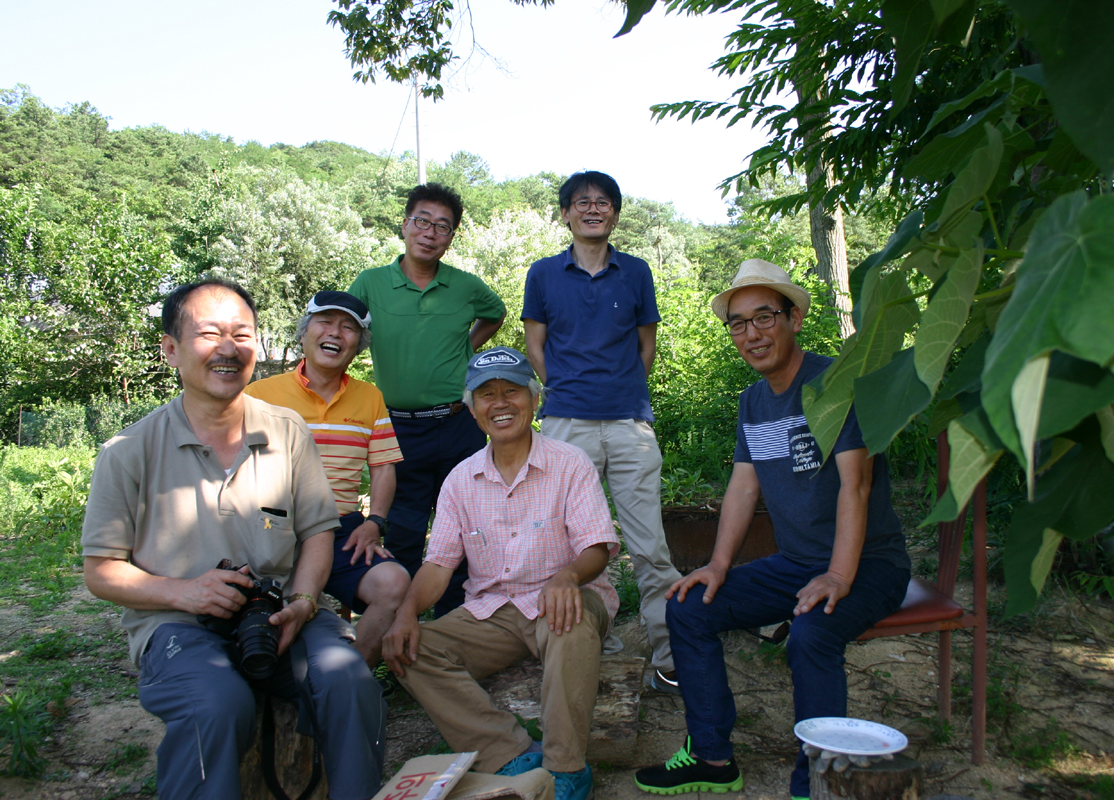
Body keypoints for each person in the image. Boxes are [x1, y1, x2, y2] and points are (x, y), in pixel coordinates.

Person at [81, 280, 385, 800]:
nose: (228, 349)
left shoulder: (287, 431)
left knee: (350, 682)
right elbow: (101, 571)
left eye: (242, 335)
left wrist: (303, 602)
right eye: (209, 334)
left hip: (277, 615)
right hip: (177, 623)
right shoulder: (129, 450)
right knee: (216, 705)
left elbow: (317, 532)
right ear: (171, 348)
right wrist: (184, 593)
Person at [633, 260, 911, 800]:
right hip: (798, 563)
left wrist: (837, 574)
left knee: (811, 632)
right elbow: (742, 488)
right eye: (738, 322)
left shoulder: (837, 383)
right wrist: (715, 565)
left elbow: (856, 487)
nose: (751, 333)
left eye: (765, 317)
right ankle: (711, 757)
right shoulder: (752, 402)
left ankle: (818, 779)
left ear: (795, 319)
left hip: (870, 564)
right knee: (688, 606)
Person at [383, 346, 619, 800]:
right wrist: (407, 611)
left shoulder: (569, 462)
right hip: (494, 611)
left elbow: (596, 547)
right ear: (473, 411)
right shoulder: (459, 479)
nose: (501, 403)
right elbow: (438, 566)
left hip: (566, 597)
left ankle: (566, 768)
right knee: (412, 648)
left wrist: (567, 577)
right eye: (487, 395)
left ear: (533, 400)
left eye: (512, 391)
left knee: (566, 621)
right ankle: (509, 752)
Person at [521, 170, 682, 693]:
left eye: (604, 202)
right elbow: (536, 347)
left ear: (615, 213)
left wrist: (622, 393)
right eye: (582, 201)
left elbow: (646, 348)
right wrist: (565, 392)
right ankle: (595, 643)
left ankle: (671, 655)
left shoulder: (635, 272)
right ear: (565, 213)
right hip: (566, 423)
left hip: (630, 422)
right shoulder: (543, 274)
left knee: (648, 544)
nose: (593, 209)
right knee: (573, 545)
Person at [349, 182, 506, 615]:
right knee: (402, 529)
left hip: (460, 424)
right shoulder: (371, 283)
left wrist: (466, 349)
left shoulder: (466, 286)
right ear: (404, 225)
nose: (431, 232)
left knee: (466, 527)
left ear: (451, 236)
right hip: (397, 428)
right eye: (423, 221)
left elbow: (496, 313)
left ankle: (455, 624)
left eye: (443, 226)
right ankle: (398, 625)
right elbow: (343, 327)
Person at [246, 290, 410, 668]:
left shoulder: (369, 397)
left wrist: (375, 523)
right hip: (271, 527)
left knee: (394, 584)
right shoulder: (258, 395)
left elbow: (383, 466)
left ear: (358, 346)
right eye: (325, 322)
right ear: (304, 333)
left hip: (342, 531)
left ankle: (352, 676)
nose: (335, 333)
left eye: (349, 327)